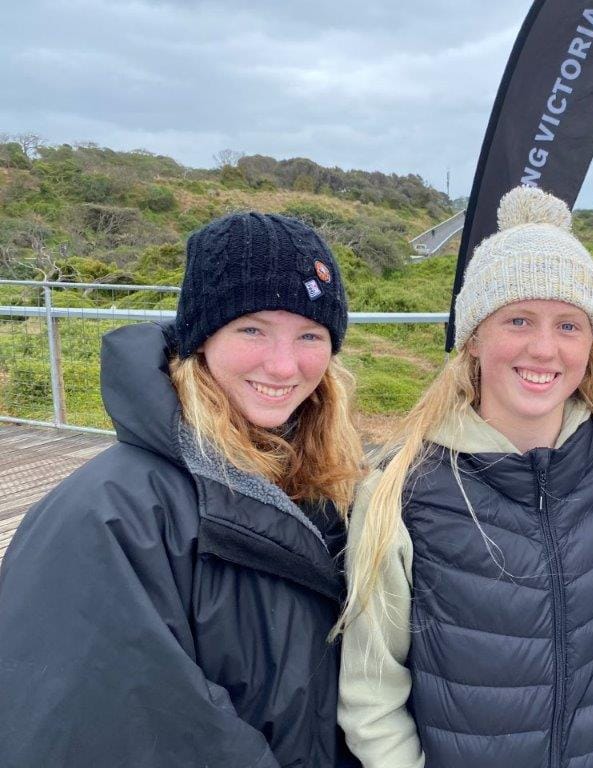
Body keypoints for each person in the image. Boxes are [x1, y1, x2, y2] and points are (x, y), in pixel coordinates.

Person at [0, 212, 364, 767]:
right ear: (200, 337)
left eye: (310, 335)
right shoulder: (106, 517)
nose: (285, 363)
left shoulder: (321, 488)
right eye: (252, 329)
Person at [337, 186, 593, 768]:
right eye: (519, 319)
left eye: (568, 325)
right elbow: (370, 696)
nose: (543, 347)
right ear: (474, 337)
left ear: (592, 344)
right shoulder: (401, 490)